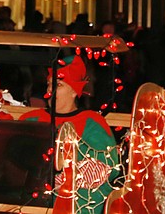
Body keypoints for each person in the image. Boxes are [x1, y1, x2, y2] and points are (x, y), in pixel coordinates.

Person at [19, 57, 124, 214]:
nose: (50, 90)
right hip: (30, 199)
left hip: (77, 205)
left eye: (58, 85)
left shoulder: (91, 122)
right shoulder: (31, 118)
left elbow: (106, 167)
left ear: (74, 91)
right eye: (49, 84)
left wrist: (59, 180)